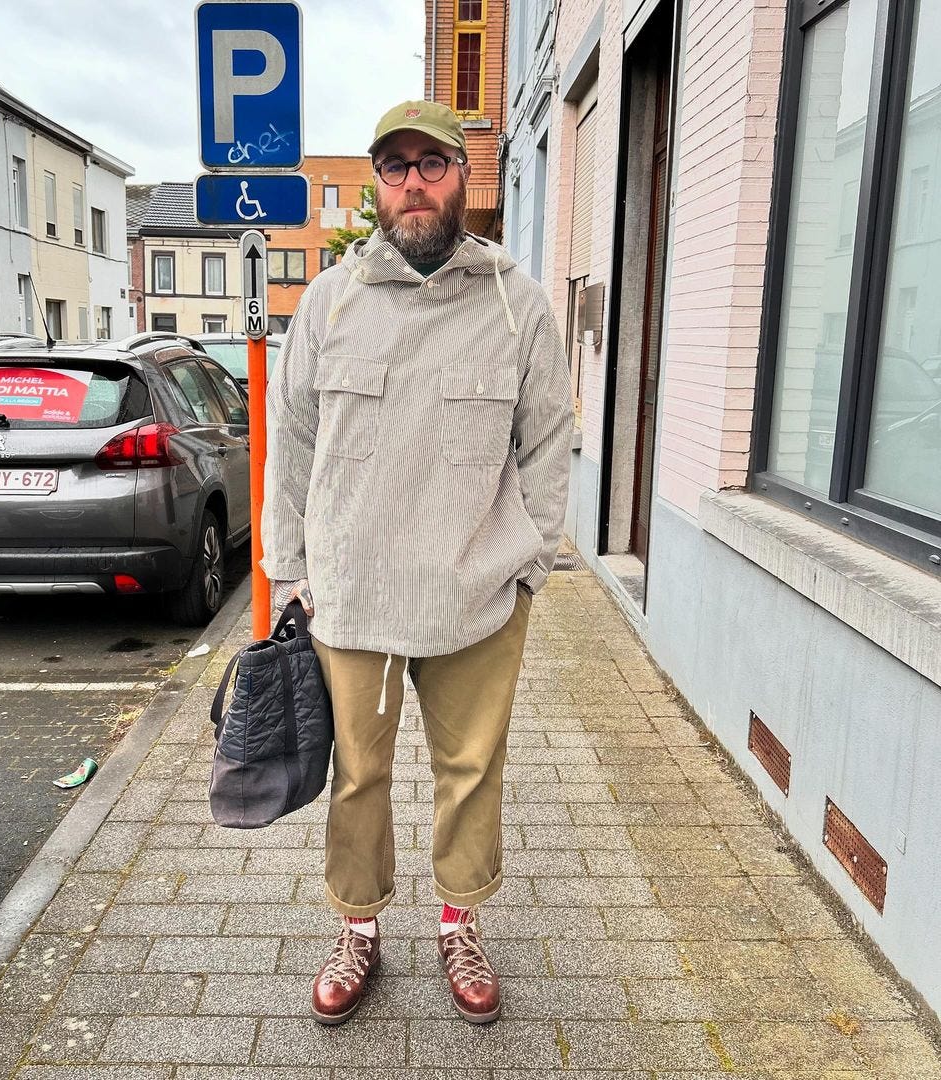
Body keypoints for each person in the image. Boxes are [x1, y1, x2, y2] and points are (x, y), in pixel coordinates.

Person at [261, 100, 573, 1026]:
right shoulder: (332, 301)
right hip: (353, 593)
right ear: (377, 185)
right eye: (394, 167)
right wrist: (294, 571)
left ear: (462, 174)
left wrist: (531, 568)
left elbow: (548, 441)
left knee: (470, 767)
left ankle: (457, 920)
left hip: (479, 588)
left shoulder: (517, 303)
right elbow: (294, 441)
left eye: (430, 163)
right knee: (359, 771)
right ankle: (358, 928)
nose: (412, 183)